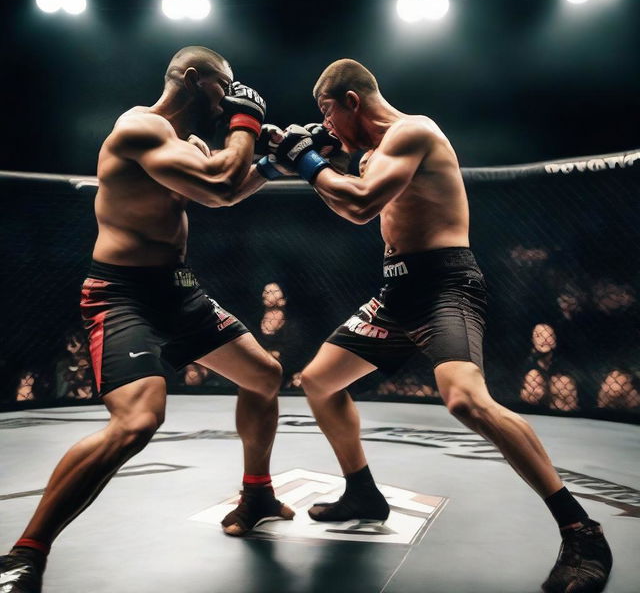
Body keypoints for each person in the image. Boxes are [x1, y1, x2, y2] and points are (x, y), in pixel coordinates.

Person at [265, 58, 612, 593]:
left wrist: (310, 161)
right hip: (396, 293)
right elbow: (354, 209)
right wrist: (315, 164)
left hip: (443, 286)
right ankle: (362, 491)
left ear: (351, 100)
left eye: (327, 112)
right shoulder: (376, 154)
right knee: (319, 381)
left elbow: (358, 204)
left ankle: (581, 531)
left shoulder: (413, 131)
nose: (326, 124)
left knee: (466, 400)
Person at [0, 46, 293, 593]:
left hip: (178, 292)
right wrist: (248, 120)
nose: (228, 97)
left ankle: (257, 491)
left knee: (263, 375)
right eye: (222, 86)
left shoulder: (187, 144)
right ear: (191, 78)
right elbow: (223, 178)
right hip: (123, 294)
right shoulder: (140, 129)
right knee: (136, 422)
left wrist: (277, 164)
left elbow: (222, 193)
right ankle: (23, 554)